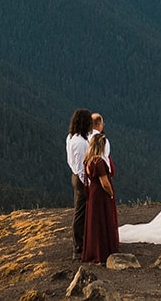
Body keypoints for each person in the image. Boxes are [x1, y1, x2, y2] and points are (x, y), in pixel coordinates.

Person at [81, 133, 119, 263]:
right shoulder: (99, 162)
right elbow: (104, 182)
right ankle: (103, 251)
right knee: (103, 220)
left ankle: (93, 250)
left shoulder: (88, 160)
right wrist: (111, 193)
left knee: (94, 221)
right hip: (101, 194)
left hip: (92, 193)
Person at [66, 108, 94, 258]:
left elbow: (72, 162)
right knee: (80, 213)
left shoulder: (70, 138)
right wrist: (88, 184)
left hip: (75, 176)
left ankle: (80, 244)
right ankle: (78, 247)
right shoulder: (81, 143)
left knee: (79, 210)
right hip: (82, 178)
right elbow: (83, 165)